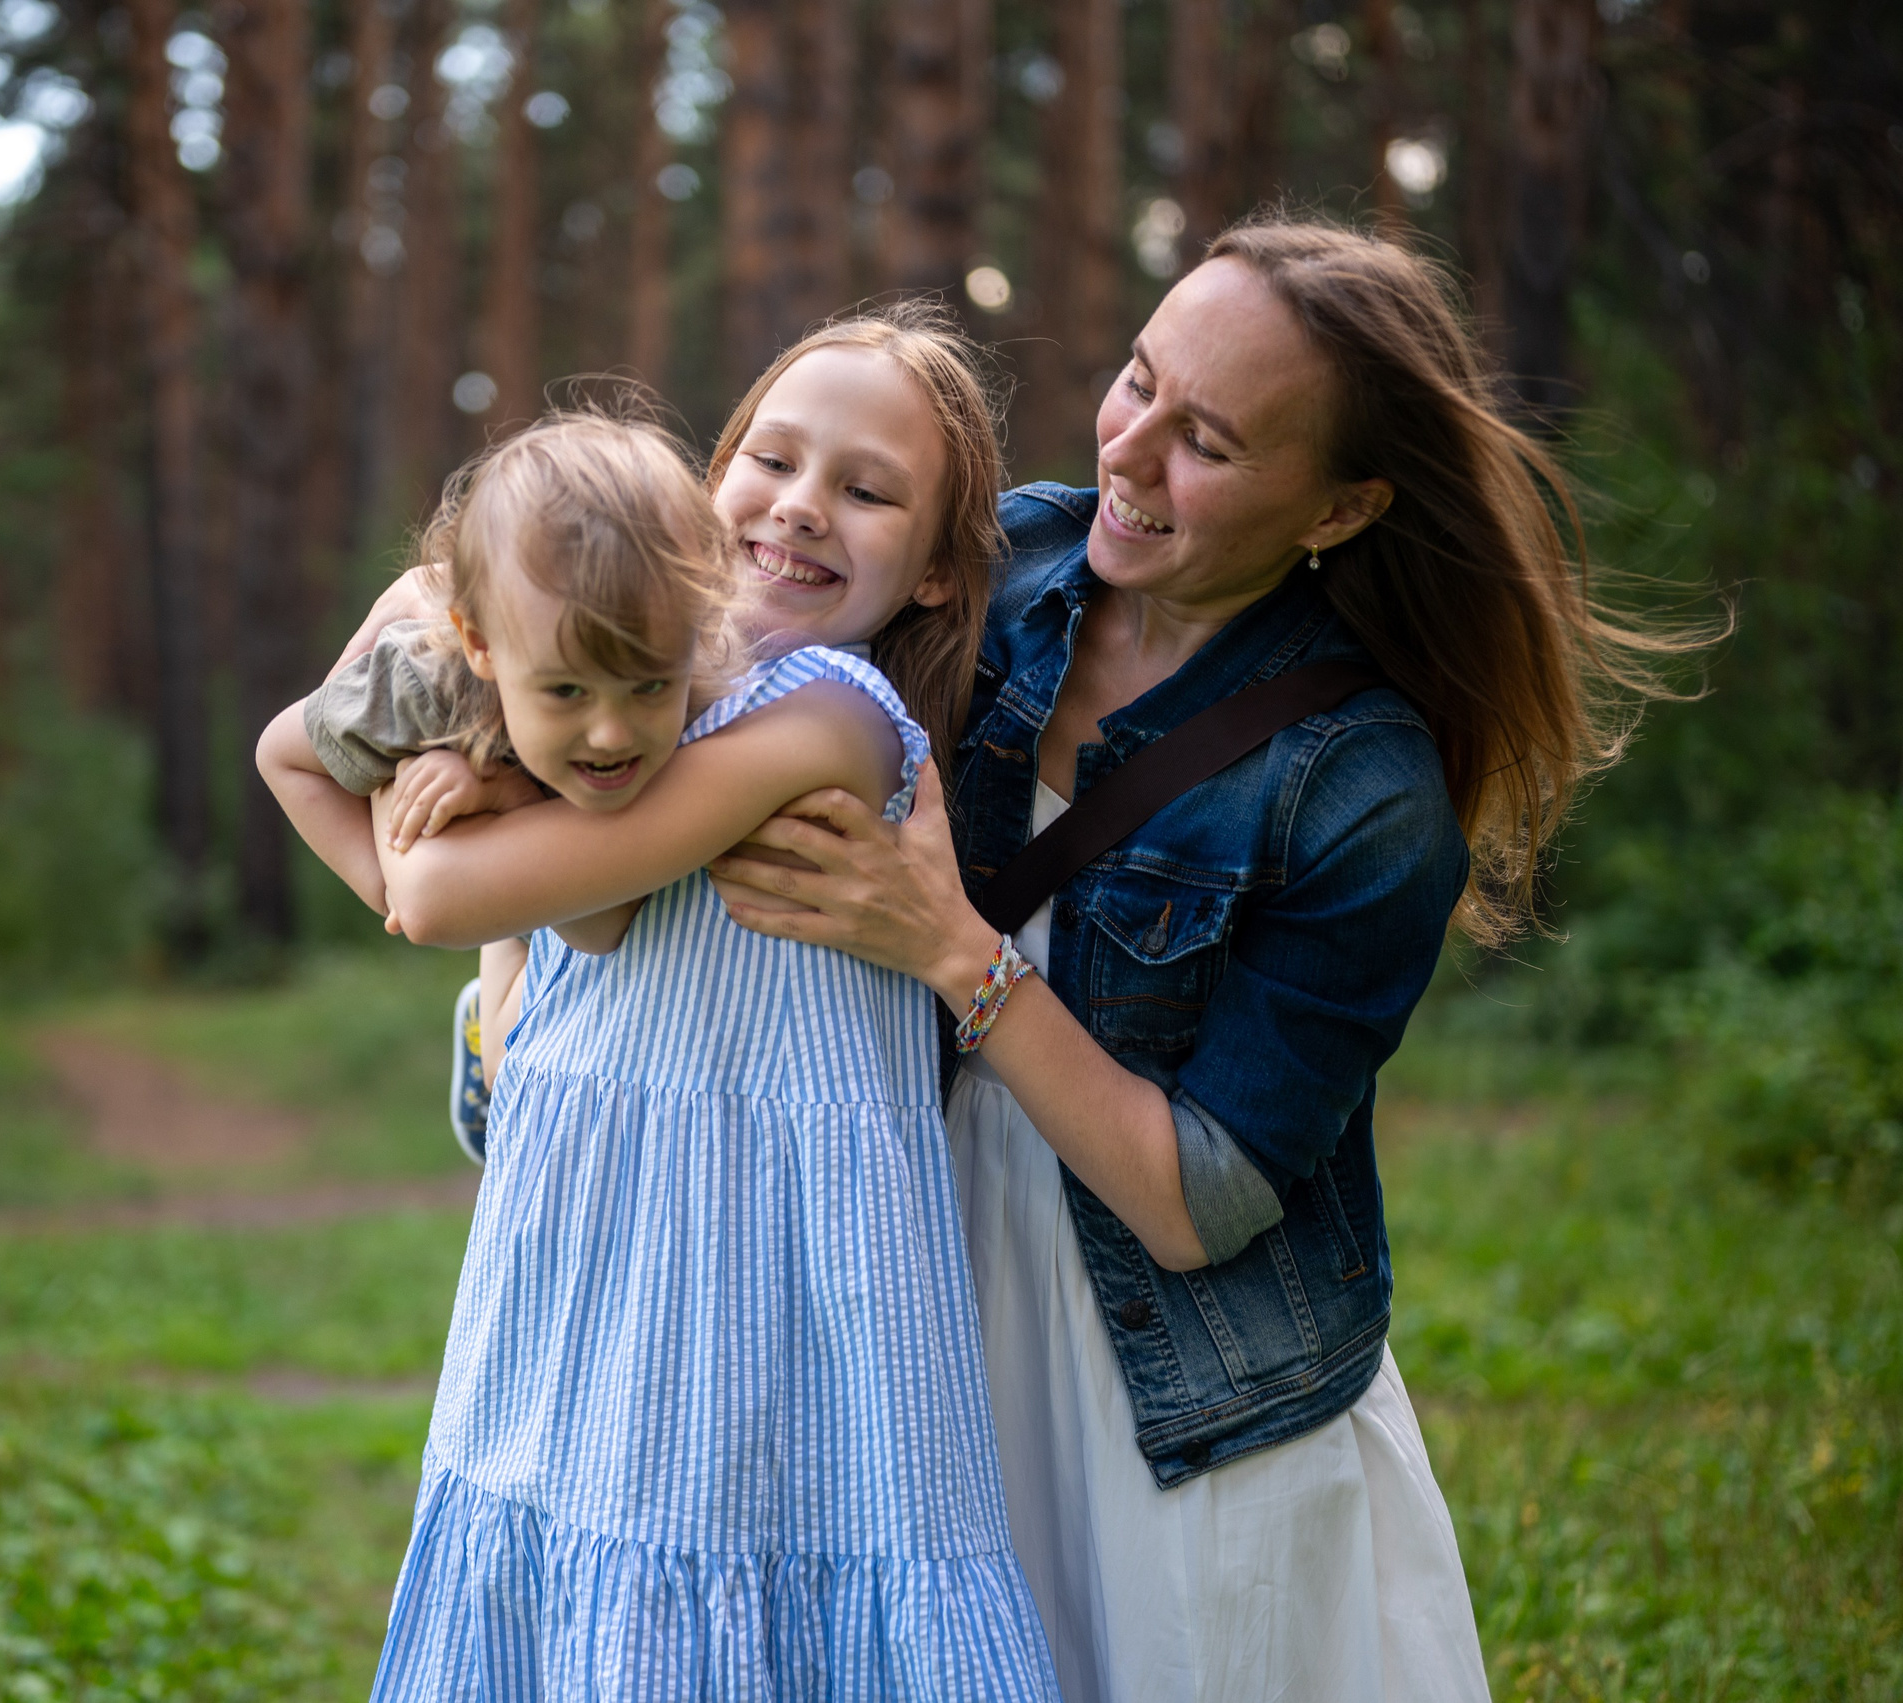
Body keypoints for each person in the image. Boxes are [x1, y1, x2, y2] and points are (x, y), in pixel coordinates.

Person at [706, 221, 1697, 1702]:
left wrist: (954, 952)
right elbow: (719, 648)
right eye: (1136, 383)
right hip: (912, 1297)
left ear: (1342, 507)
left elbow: (1199, 1204)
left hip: (1170, 1399)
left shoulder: (1362, 791)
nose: (1132, 453)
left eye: (1210, 442)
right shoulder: (1009, 568)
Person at [271, 327, 1061, 1696]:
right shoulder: (597, 697)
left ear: (936, 568)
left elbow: (465, 897)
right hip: (585, 1252)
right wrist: (468, 767)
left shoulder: (830, 718)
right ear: (709, 487)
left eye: (868, 492)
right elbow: (309, 738)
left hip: (780, 1289)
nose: (806, 501)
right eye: (772, 458)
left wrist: (462, 814)